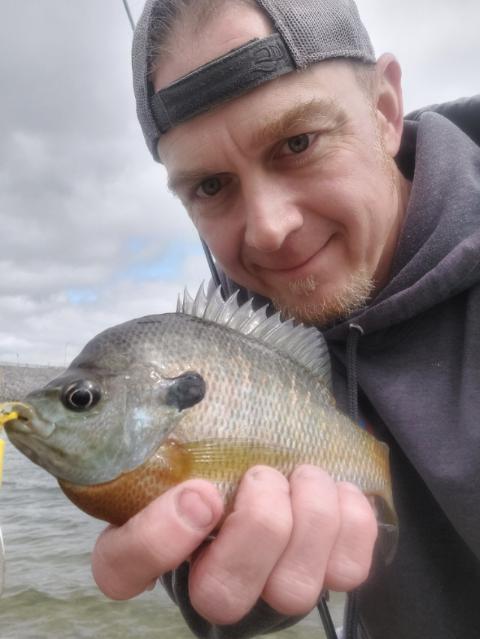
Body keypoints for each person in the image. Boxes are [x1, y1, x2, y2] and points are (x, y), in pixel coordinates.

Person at [92, 1, 480, 637]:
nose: (270, 230)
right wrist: (225, 572)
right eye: (211, 187)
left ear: (385, 112)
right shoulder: (241, 334)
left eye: (297, 143)